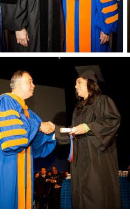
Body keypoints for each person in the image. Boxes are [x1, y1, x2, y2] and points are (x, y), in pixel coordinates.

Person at [0, 70, 56, 208]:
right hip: (7, 166)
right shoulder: (6, 101)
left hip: (22, 170)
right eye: (30, 82)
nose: (34, 85)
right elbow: (13, 140)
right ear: (17, 84)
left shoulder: (28, 112)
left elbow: (36, 145)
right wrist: (39, 125)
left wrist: (52, 131)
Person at [52, 67, 121, 208]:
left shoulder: (103, 101)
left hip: (97, 161)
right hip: (79, 163)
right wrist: (54, 130)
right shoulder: (78, 109)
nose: (75, 86)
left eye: (79, 82)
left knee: (97, 198)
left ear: (90, 83)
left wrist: (89, 127)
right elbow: (73, 133)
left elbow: (113, 121)